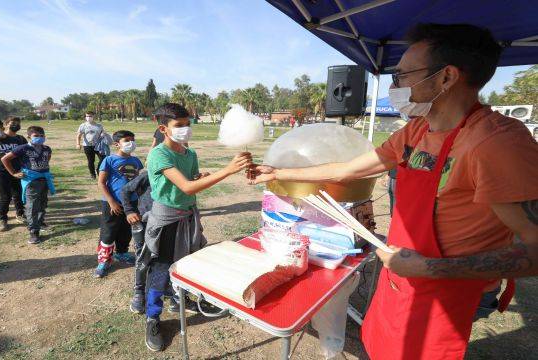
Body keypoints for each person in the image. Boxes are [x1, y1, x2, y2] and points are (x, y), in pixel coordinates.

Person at [250, 23, 538, 360]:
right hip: (401, 276)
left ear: (446, 77)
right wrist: (280, 171)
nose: (395, 85)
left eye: (402, 76)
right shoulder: (417, 130)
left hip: (448, 290)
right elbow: (348, 169)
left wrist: (428, 269)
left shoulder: (497, 143)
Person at [142, 103, 252, 352]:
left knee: (189, 263)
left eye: (188, 125)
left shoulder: (189, 154)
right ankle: (152, 318)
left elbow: (192, 182)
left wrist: (201, 177)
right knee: (160, 270)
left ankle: (182, 298)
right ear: (163, 128)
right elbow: (187, 188)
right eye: (178, 126)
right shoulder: (159, 154)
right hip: (167, 221)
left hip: (188, 217)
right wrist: (228, 170)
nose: (185, 130)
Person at [94, 130, 144, 277]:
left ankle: (121, 252)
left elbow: (138, 182)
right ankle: (104, 260)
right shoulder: (109, 160)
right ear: (117, 144)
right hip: (112, 203)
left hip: (131, 203)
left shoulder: (136, 161)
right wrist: (111, 202)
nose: (131, 143)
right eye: (127, 140)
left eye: (132, 140)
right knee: (109, 231)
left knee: (126, 230)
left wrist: (140, 200)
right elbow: (101, 183)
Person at [1, 126, 55, 244]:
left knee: (42, 203)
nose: (39, 138)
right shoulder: (23, 148)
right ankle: (33, 232)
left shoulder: (47, 149)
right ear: (29, 136)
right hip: (31, 181)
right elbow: (5, 159)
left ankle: (40, 223)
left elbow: (46, 160)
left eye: (42, 136)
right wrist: (14, 173)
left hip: (44, 180)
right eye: (36, 136)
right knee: (32, 206)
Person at [0, 118, 28, 231]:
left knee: (18, 194)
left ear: (2, 128)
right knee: (5, 196)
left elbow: (25, 155)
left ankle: (20, 214)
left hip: (17, 172)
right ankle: (2, 218)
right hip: (0, 173)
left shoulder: (16, 140)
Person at [120, 170, 152, 313]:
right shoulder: (148, 175)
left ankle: (166, 286)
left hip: (166, 221)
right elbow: (125, 190)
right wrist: (129, 211)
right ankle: (139, 292)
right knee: (142, 256)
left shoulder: (179, 172)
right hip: (143, 220)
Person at [76, 112, 105, 179]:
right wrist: (78, 144)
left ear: (93, 116)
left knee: (103, 158)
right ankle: (92, 174)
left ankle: (98, 170)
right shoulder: (83, 125)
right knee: (91, 160)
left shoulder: (99, 126)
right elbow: (78, 136)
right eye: (87, 116)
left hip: (98, 146)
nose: (88, 117)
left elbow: (103, 133)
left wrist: (103, 135)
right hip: (87, 146)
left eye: (90, 116)